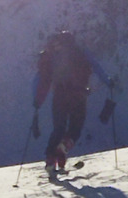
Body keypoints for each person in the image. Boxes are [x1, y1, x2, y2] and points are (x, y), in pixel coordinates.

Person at [33, 31, 113, 175]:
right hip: (78, 95)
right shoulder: (80, 52)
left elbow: (41, 80)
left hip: (59, 95)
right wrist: (108, 82)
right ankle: (62, 151)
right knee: (75, 128)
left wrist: (37, 101)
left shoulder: (51, 57)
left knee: (59, 128)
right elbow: (96, 66)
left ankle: (51, 160)